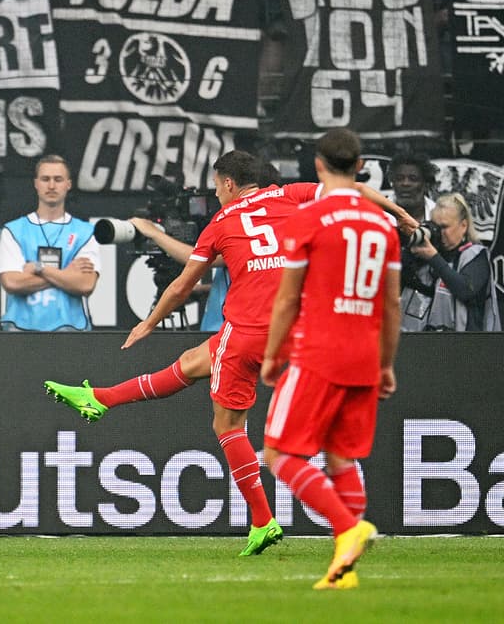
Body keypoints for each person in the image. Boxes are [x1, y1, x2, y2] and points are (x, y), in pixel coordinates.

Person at [44, 149, 414, 557]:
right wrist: (401, 214)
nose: (216, 194)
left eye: (217, 186)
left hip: (248, 332)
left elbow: (182, 285)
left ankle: (263, 520)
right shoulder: (289, 195)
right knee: (192, 363)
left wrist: (148, 323)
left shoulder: (220, 223)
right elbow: (352, 190)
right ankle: (101, 398)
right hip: (299, 326)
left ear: (229, 183)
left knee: (228, 426)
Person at [260, 127, 401, 590]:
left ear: (318, 165)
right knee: (340, 459)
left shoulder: (310, 218)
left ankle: (347, 527)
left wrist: (273, 354)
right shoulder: (382, 224)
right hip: (364, 355)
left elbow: (287, 298)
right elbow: (391, 304)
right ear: (360, 167)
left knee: (279, 453)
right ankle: (344, 571)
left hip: (318, 352)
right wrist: (385, 363)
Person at [0, 154, 99, 331]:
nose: (51, 186)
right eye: (45, 179)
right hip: (21, 332)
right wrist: (65, 274)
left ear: (68, 184)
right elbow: (12, 282)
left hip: (72, 331)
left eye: (58, 179)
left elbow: (85, 284)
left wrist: (39, 268)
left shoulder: (85, 232)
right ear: (36, 183)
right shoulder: (13, 230)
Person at [402, 192, 501, 330]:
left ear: (463, 226)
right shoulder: (425, 254)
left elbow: (466, 289)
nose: (438, 233)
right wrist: (409, 252)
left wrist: (433, 257)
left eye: (444, 227)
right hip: (422, 339)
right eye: (434, 227)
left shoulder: (476, 255)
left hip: (465, 341)